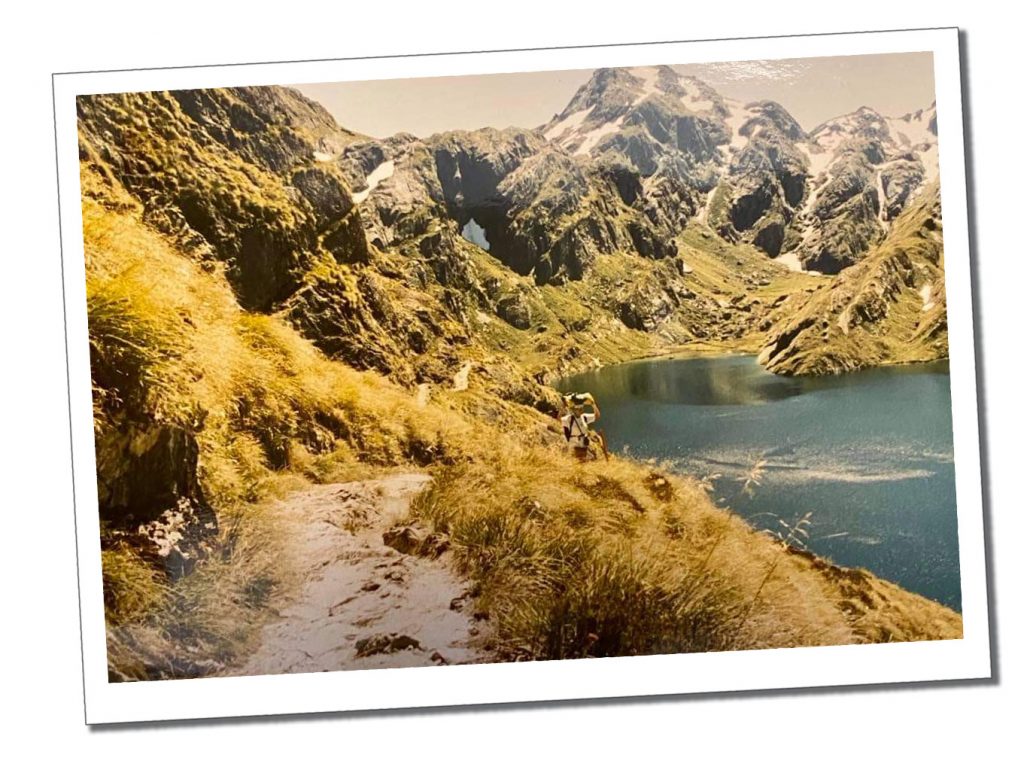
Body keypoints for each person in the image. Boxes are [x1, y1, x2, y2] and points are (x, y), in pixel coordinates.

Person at [560, 392, 608, 461]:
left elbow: (597, 416)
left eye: (581, 409)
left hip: (583, 446)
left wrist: (593, 405)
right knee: (575, 463)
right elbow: (559, 419)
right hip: (574, 446)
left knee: (583, 464)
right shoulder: (569, 419)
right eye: (578, 409)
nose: (581, 410)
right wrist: (563, 407)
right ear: (574, 410)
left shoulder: (584, 417)